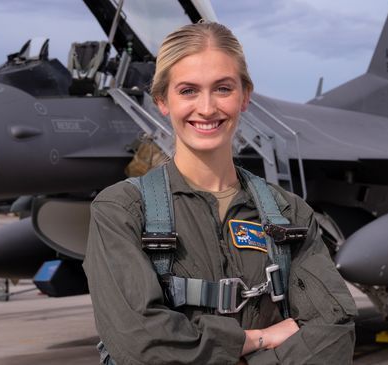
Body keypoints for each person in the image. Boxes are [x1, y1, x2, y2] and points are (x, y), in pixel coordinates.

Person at [83, 21, 356, 365]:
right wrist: (254, 340)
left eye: (223, 89)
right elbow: (140, 343)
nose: (208, 108)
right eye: (188, 91)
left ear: (245, 96)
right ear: (161, 101)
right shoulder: (121, 211)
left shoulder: (290, 215)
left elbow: (334, 331)